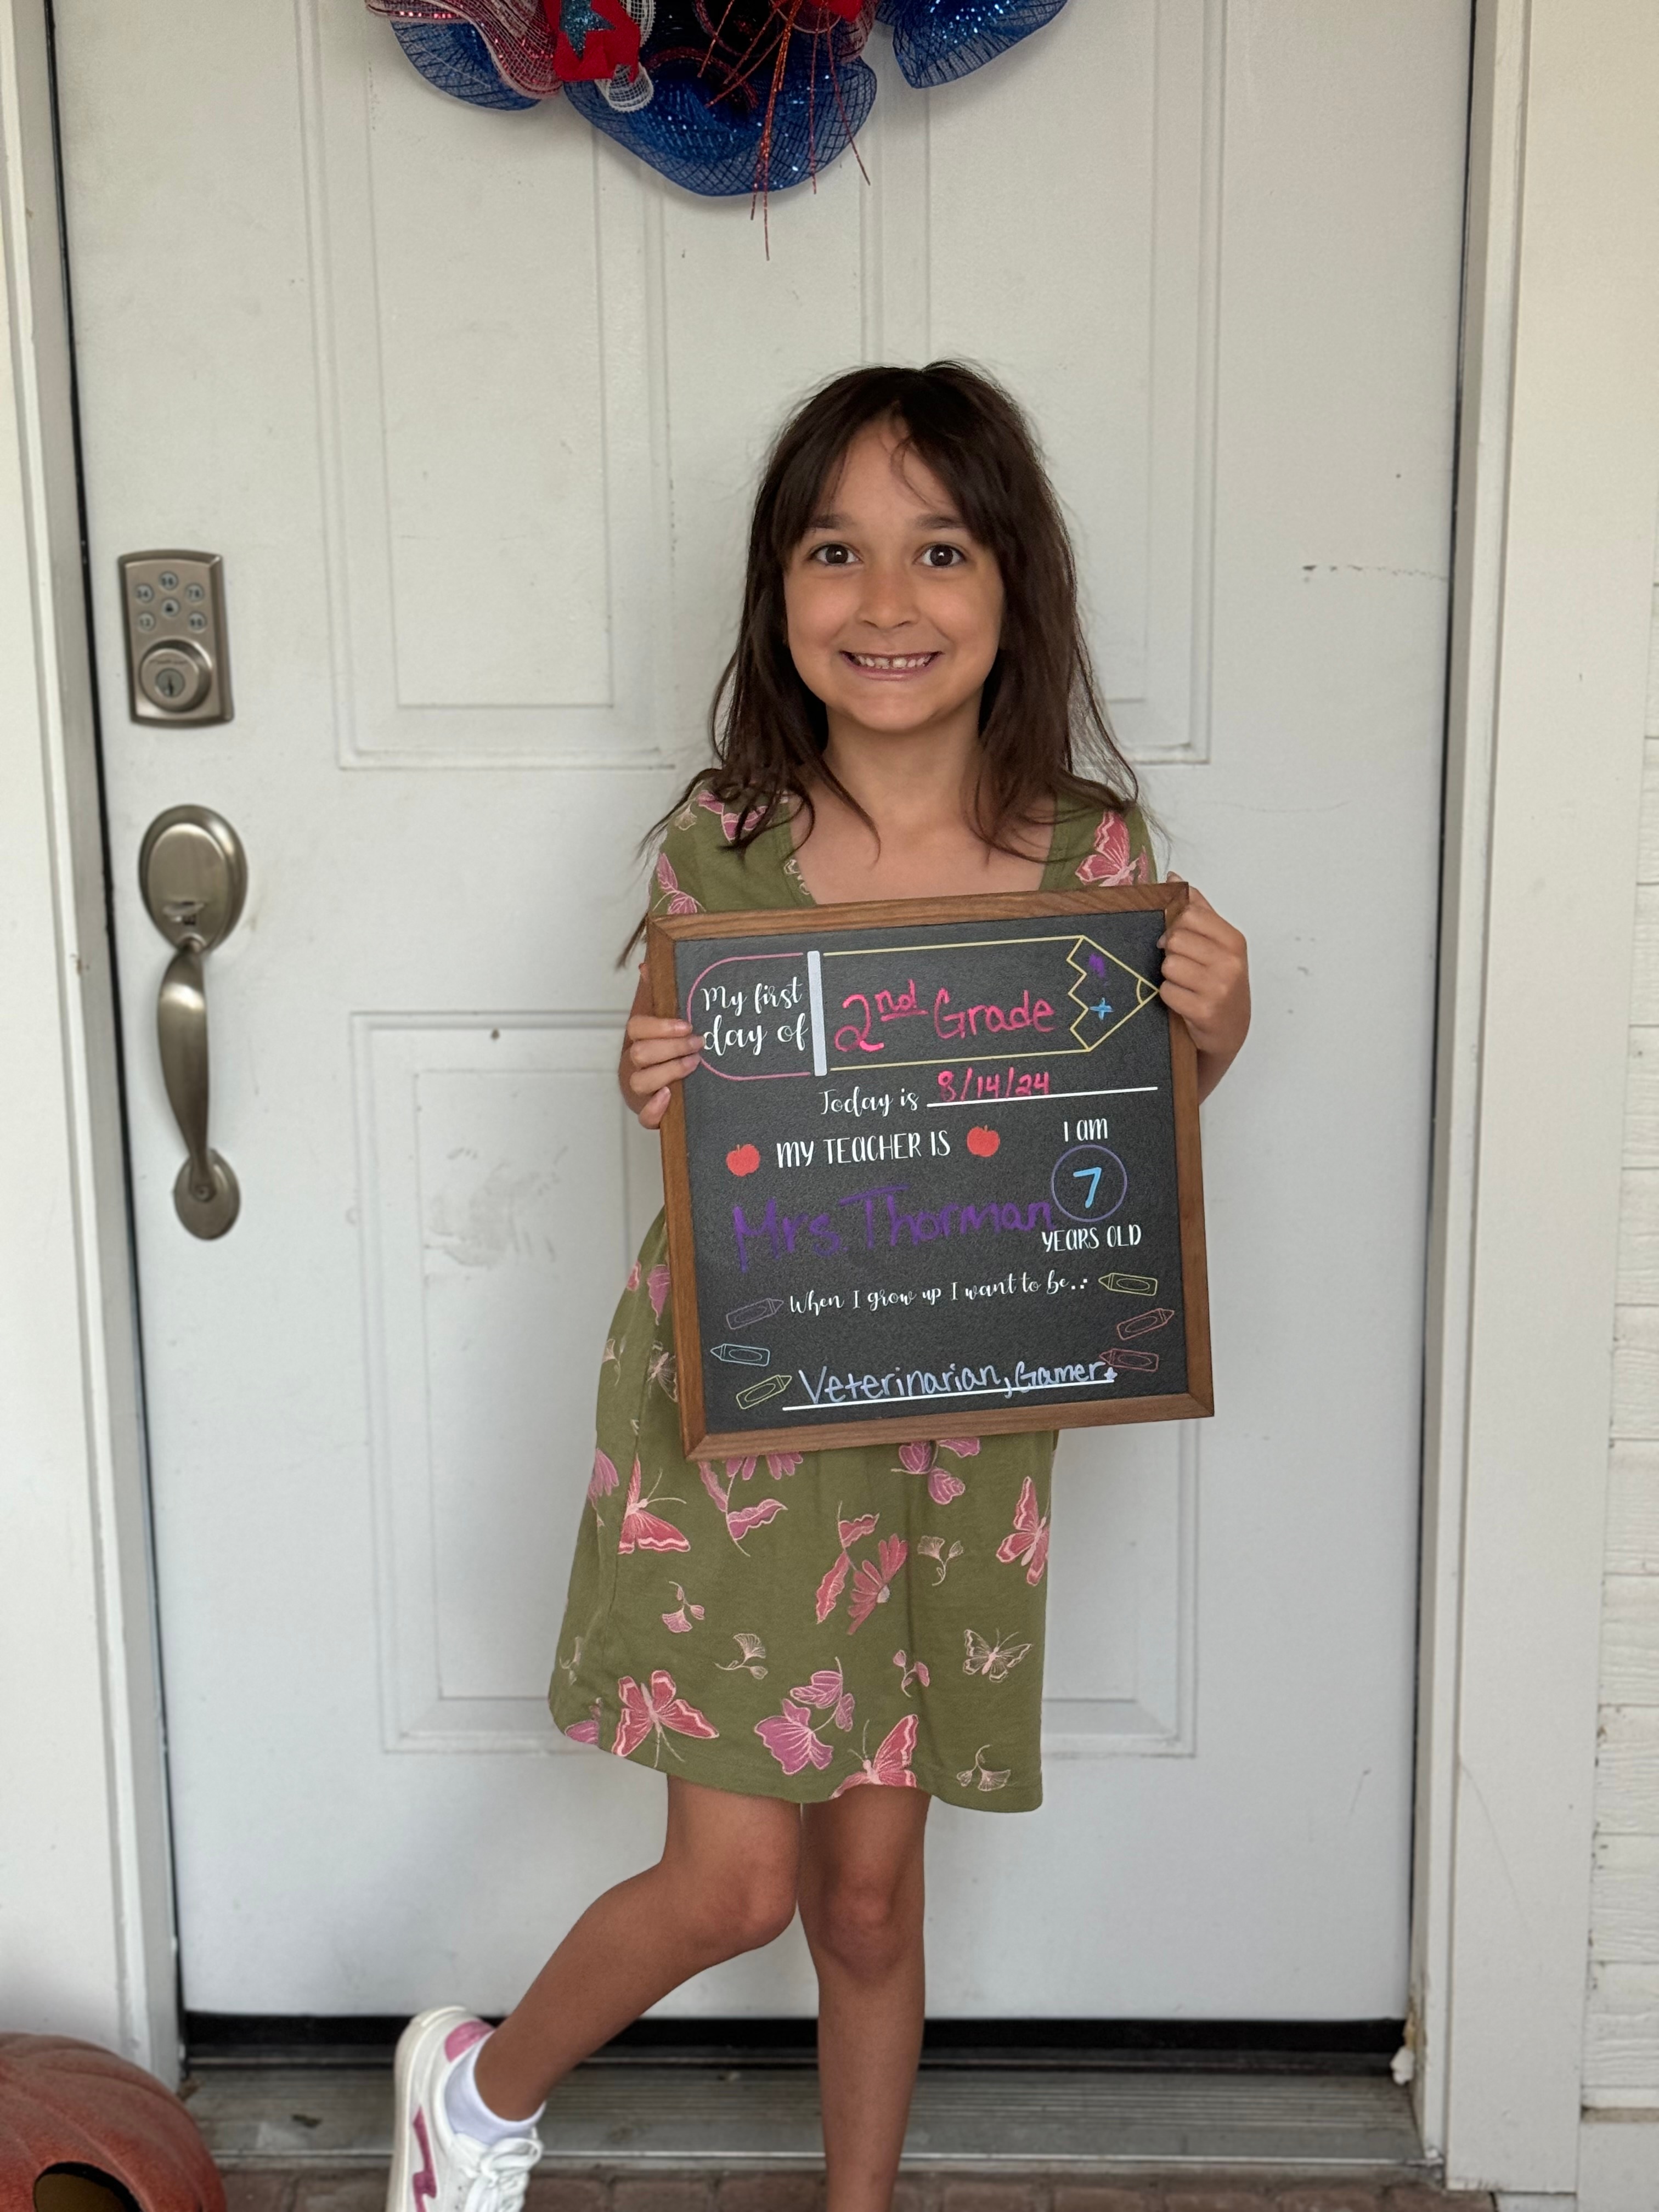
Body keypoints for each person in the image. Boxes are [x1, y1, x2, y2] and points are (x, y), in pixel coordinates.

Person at [386, 362, 1251, 2212]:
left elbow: (1119, 1139)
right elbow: (679, 1071)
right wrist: (648, 1070)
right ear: (780, 596)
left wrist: (1216, 1033)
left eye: (938, 550)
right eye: (835, 553)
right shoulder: (736, 838)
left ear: (1014, 585)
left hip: (960, 1432)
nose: (886, 602)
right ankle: (478, 2087)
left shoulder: (1096, 863)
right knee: (741, 1884)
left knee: (867, 1892)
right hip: (747, 1415)